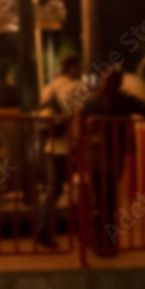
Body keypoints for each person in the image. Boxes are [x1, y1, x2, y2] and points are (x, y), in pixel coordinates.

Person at [84, 66, 145, 256]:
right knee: (109, 198)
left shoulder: (91, 100)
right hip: (115, 154)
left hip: (95, 153)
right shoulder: (125, 99)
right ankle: (109, 241)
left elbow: (83, 125)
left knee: (99, 198)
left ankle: (98, 241)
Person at [35, 54, 82, 248]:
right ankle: (44, 230)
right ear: (71, 67)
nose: (80, 71)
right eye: (78, 67)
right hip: (67, 145)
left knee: (55, 188)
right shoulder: (74, 88)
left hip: (50, 144)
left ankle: (45, 229)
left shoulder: (49, 87)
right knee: (64, 189)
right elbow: (78, 117)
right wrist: (79, 141)